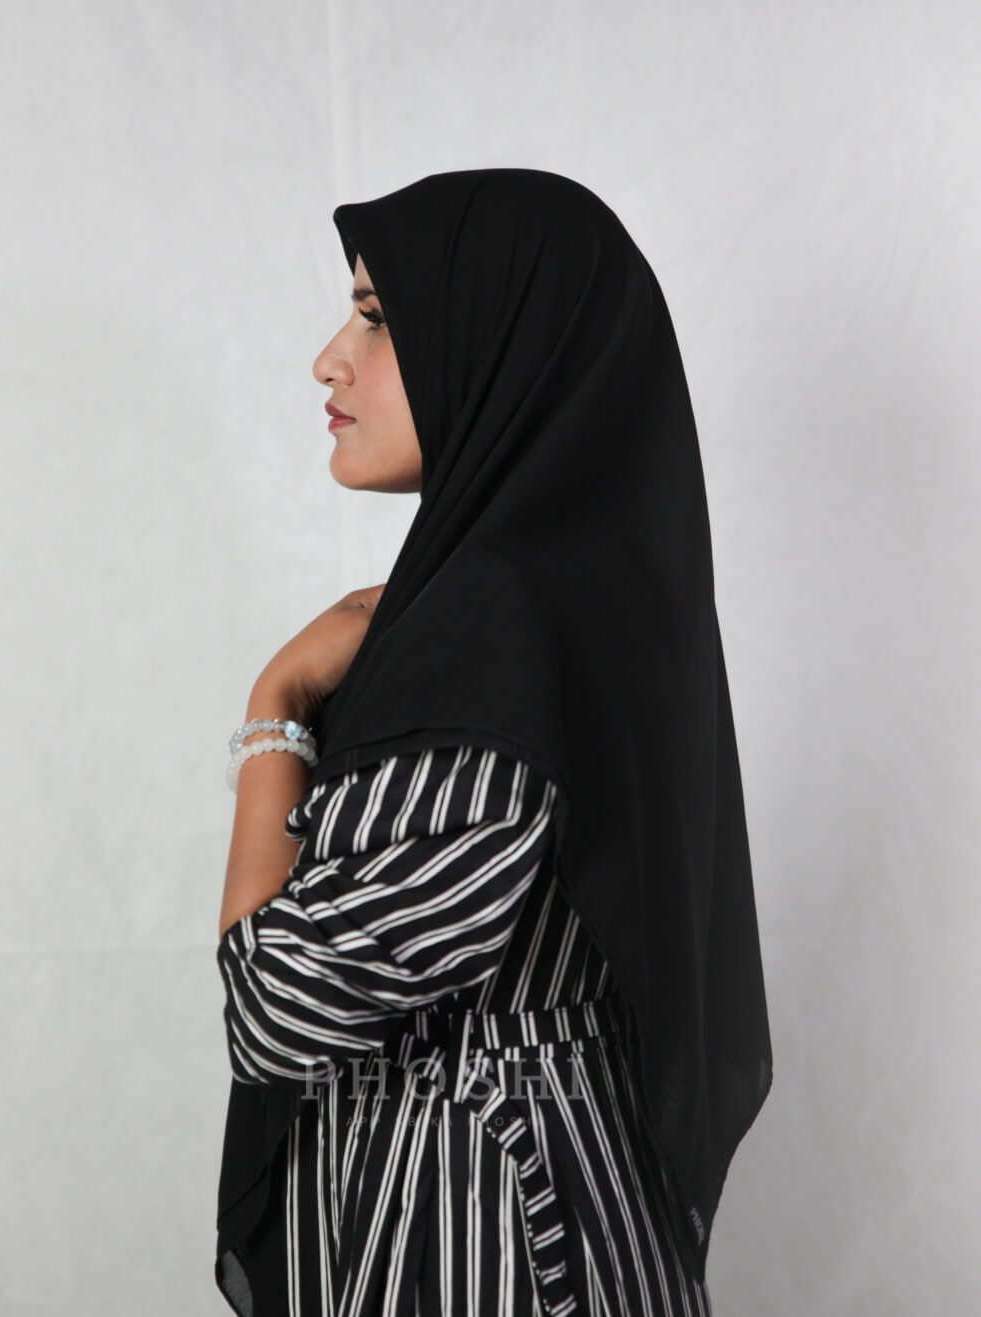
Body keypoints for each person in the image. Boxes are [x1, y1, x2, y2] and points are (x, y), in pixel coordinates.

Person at [213, 168, 773, 1316]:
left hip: (486, 1232)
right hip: (503, 1202)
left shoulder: (498, 636)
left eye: (377, 317)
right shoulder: (551, 604)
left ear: (498, 344)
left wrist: (275, 707)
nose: (329, 360)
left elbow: (273, 1006)